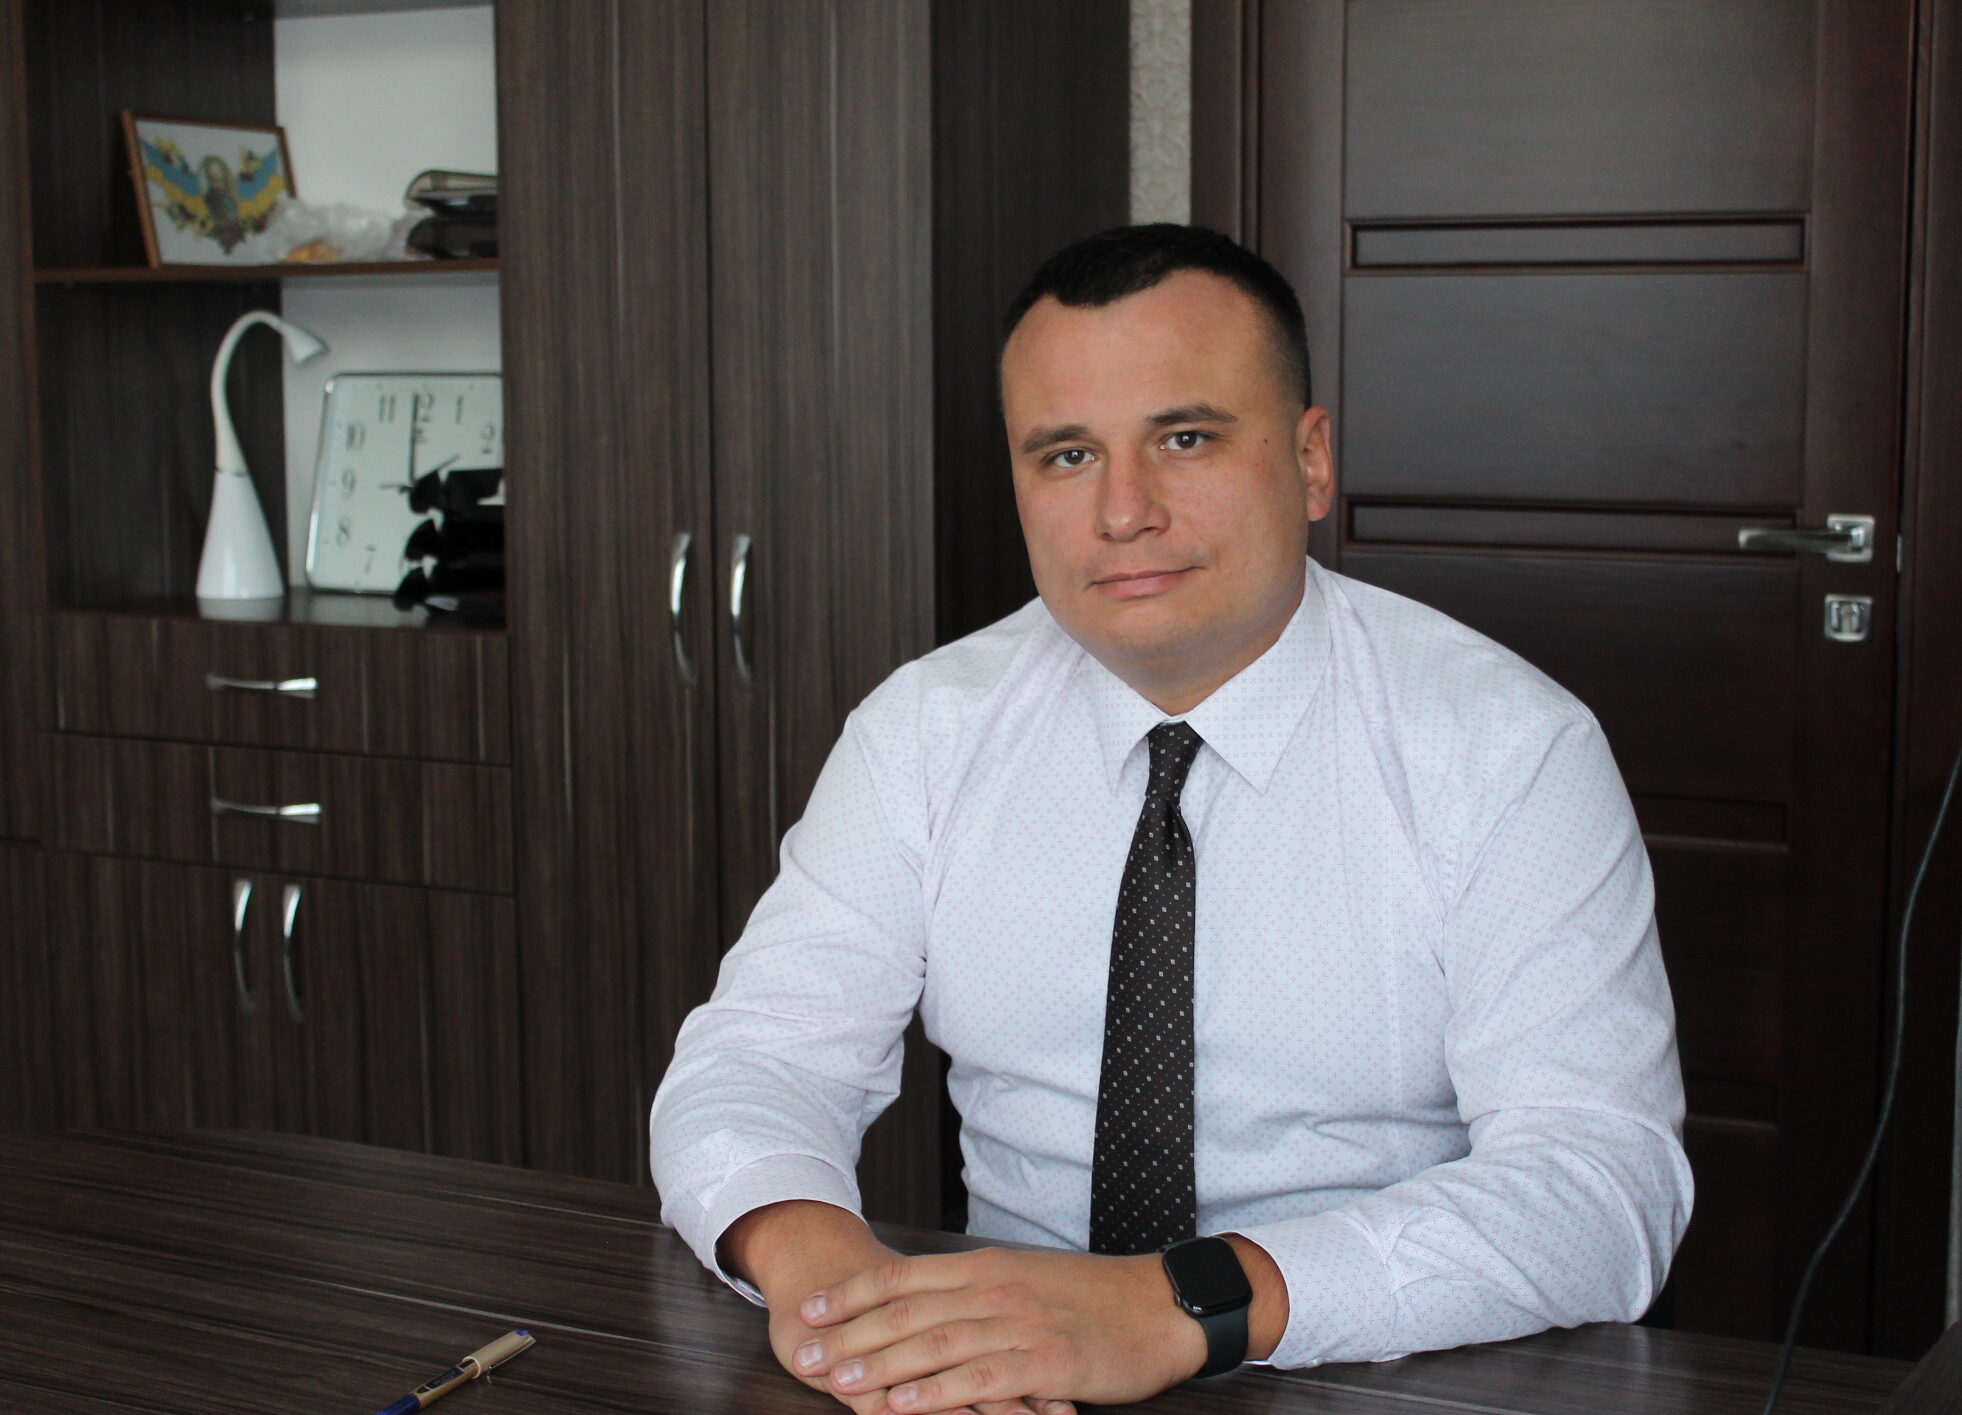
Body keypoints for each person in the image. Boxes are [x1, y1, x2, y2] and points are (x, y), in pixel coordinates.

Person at [649, 224, 1691, 1415]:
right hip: (1007, 1380)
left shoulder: (1508, 747)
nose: (1123, 511)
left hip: (1374, 1371)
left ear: (1310, 460)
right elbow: (759, 1055)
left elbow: (1602, 1184)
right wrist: (838, 1295)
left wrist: (1180, 1304)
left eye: (1184, 438)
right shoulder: (927, 728)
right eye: (1067, 454)